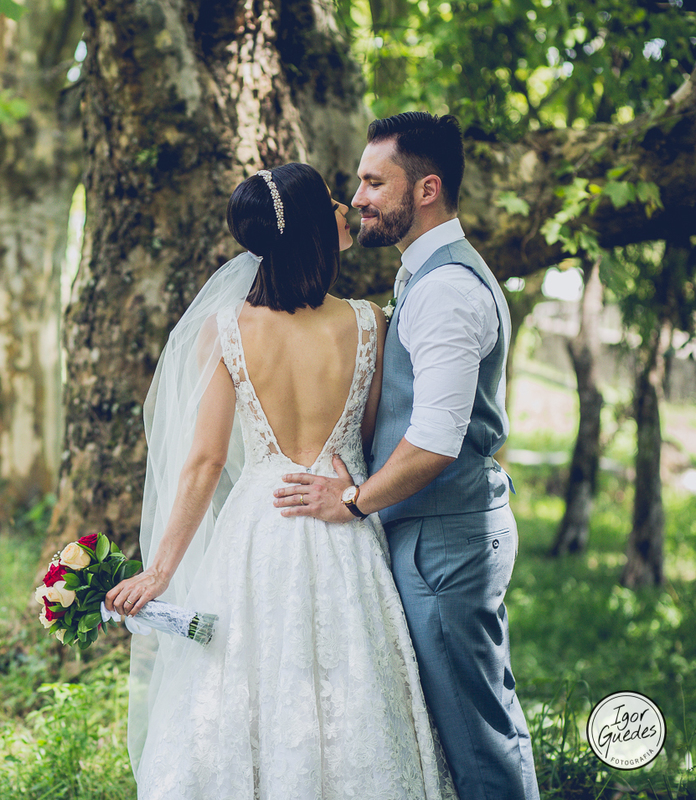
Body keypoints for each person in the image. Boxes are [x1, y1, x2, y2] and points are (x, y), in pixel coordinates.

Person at [105, 162, 457, 799]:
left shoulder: (230, 330)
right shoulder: (369, 324)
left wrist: (158, 572)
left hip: (257, 531)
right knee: (354, 688)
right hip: (341, 523)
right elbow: (371, 440)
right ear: (314, 230)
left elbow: (204, 464)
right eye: (331, 201)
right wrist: (348, 483)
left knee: (245, 689)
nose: (345, 206)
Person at [274, 113, 540, 800]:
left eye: (372, 182)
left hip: (445, 545)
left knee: (477, 741)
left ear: (425, 189)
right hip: (433, 536)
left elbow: (435, 441)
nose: (357, 197)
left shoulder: (447, 291)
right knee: (467, 728)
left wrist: (352, 500)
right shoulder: (424, 275)